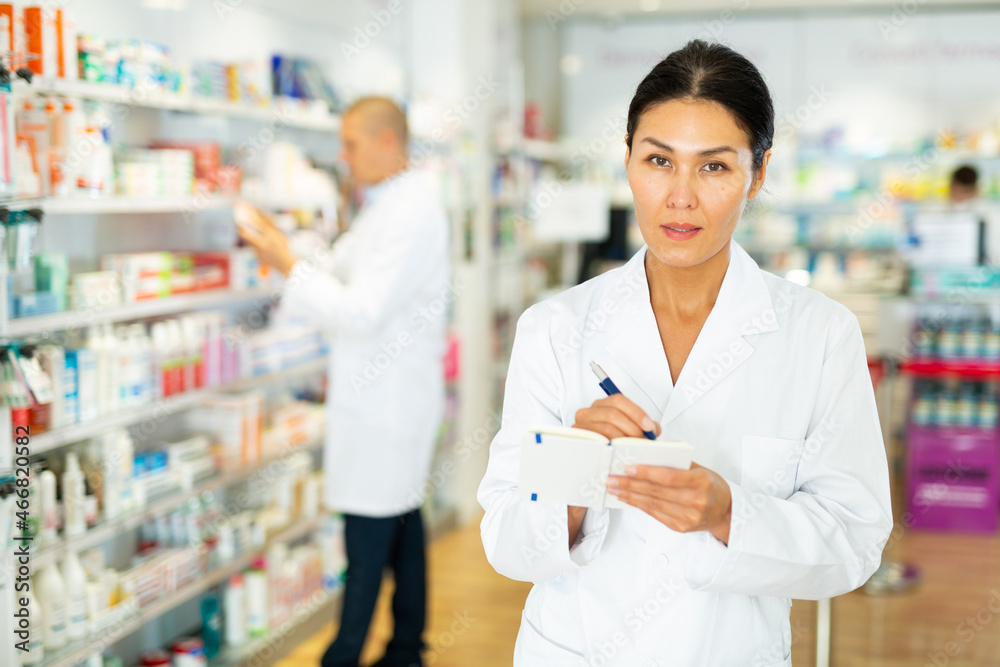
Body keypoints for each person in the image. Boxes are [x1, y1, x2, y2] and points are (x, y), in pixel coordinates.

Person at [478, 40, 892, 666]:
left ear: (759, 171)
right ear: (627, 161)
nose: (680, 197)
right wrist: (574, 470)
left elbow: (855, 543)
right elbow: (506, 544)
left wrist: (731, 516)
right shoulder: (555, 328)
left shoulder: (819, 335)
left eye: (714, 167)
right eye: (658, 160)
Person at [238, 97, 449, 667]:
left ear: (386, 142)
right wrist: (289, 249)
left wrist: (289, 265)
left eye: (351, 143)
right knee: (402, 521)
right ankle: (406, 648)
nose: (343, 155)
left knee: (368, 536)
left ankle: (344, 654)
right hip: (388, 401)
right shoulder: (390, 204)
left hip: (389, 405)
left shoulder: (411, 211)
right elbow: (340, 264)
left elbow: (360, 311)